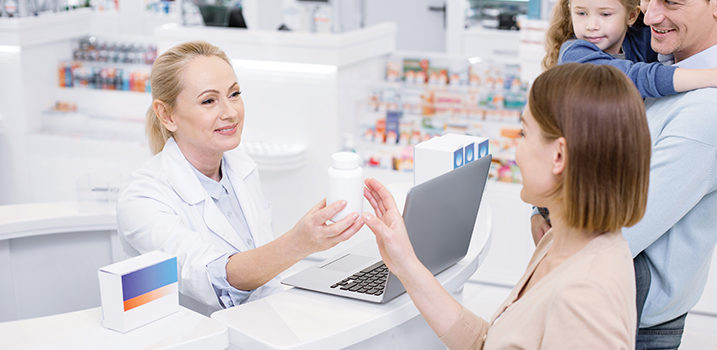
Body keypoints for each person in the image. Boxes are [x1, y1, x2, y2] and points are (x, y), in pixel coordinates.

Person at [362, 63, 652, 349]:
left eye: (524, 134)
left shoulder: (585, 298)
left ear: (559, 156)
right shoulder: (558, 242)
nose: (516, 152)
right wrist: (406, 264)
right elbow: (488, 344)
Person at [533, 0, 717, 348]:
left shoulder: (710, 112)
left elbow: (609, 235)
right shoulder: (663, 56)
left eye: (670, 1)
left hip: (630, 318)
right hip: (602, 297)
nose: (650, 16)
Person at [117, 41, 364, 314]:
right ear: (167, 115)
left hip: (265, 320)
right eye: (209, 101)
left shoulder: (241, 166)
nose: (230, 112)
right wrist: (298, 243)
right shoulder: (142, 197)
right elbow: (213, 279)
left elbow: (263, 275)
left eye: (234, 94)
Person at [539, 0, 717, 100]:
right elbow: (636, 78)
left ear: (632, 16)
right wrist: (713, 77)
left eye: (605, 14)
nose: (591, 25)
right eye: (581, 13)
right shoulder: (575, 55)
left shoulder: (640, 39)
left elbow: (697, 28)